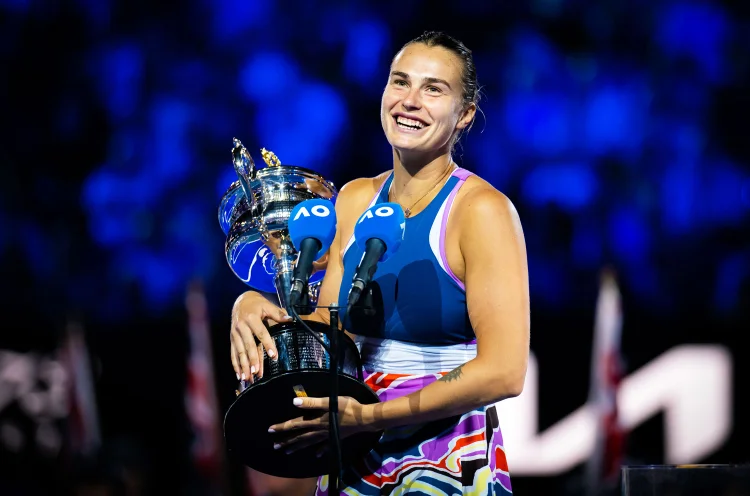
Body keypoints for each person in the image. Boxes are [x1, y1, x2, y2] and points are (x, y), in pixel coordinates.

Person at [229, 31, 530, 495]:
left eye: (434, 89)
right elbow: (332, 335)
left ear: (465, 114)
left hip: (446, 462)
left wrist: (369, 416)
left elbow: (504, 371)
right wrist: (253, 304)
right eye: (400, 82)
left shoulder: (482, 211)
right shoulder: (353, 199)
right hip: (352, 457)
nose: (410, 101)